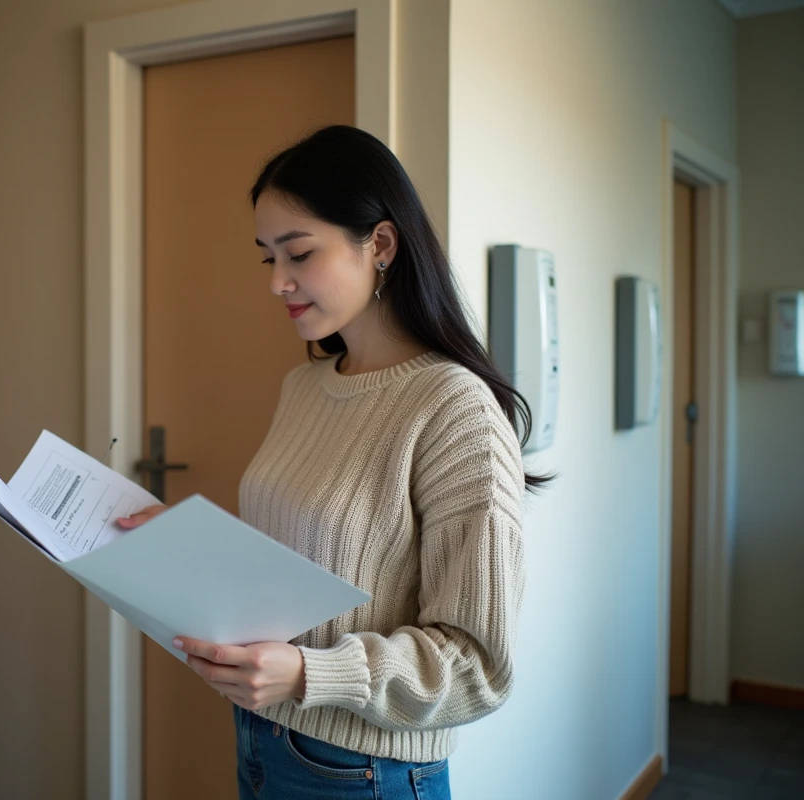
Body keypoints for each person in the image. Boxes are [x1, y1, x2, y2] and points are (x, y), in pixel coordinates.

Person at [116, 125, 545, 800]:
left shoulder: (453, 408)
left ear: (381, 245)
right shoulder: (306, 386)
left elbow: (477, 666)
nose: (277, 281)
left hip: (366, 771)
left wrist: (308, 675)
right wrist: (185, 543)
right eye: (268, 258)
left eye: (299, 253)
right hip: (263, 735)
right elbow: (302, 555)